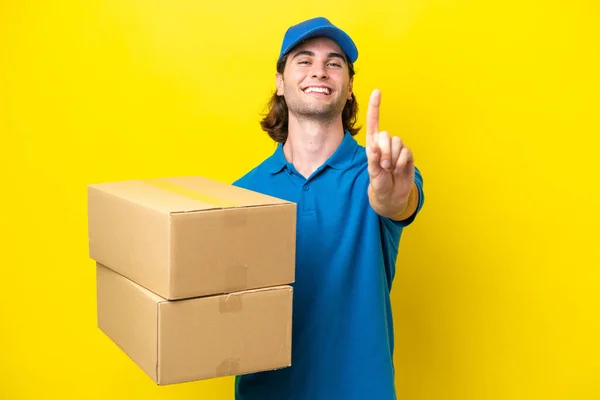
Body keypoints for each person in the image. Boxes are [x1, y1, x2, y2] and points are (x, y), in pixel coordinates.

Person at [232, 16, 425, 400]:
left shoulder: (382, 173)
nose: (319, 70)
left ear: (349, 86)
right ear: (280, 82)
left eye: (334, 62)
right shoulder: (242, 194)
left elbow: (399, 203)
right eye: (304, 60)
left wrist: (392, 198)